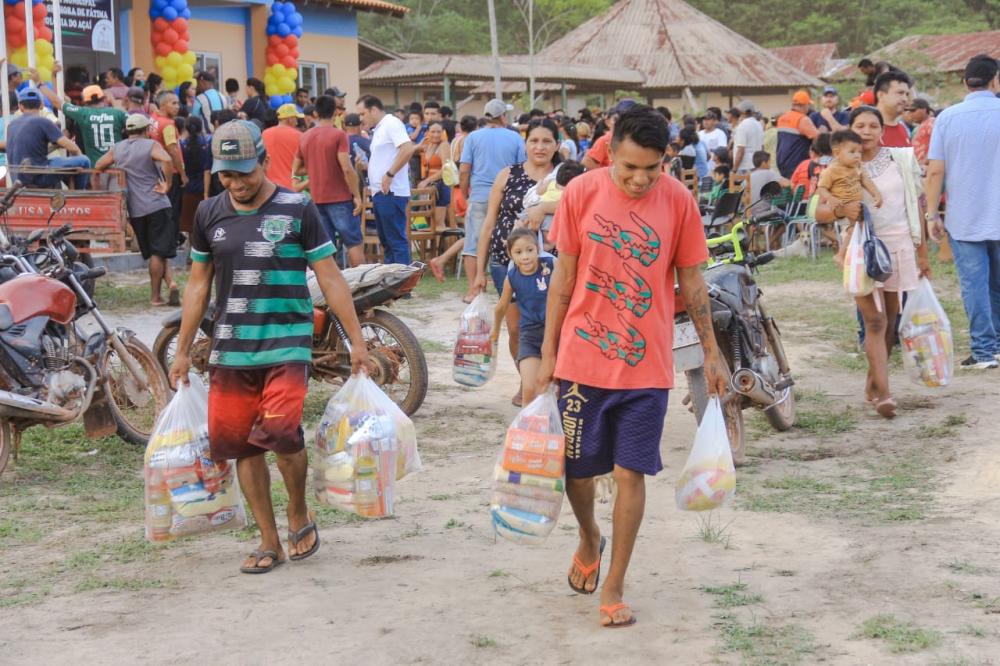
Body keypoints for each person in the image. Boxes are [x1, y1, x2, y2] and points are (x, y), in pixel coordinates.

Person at [536, 105, 727, 629]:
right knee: (578, 474)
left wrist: (712, 353)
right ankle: (588, 536)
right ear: (610, 151)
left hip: (646, 369)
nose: (641, 179)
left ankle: (615, 583)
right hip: (581, 360)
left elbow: (692, 284)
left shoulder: (680, 201)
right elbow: (563, 280)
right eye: (629, 168)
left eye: (653, 168)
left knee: (629, 473)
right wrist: (548, 353)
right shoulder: (580, 194)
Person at [169, 119, 369, 574]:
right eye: (227, 174)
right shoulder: (208, 214)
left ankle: (298, 510)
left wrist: (356, 341)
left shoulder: (298, 208)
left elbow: (329, 276)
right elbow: (198, 286)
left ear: (264, 161)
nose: (236, 183)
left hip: (286, 342)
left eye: (245, 172)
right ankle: (268, 538)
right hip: (231, 348)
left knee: (281, 433)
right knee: (241, 446)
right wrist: (182, 350)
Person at [816, 106, 929, 413]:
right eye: (860, 125)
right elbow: (819, 212)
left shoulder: (900, 160)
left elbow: (915, 205)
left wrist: (923, 253)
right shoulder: (836, 166)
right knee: (875, 321)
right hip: (859, 251)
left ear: (882, 130)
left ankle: (873, 382)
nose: (866, 131)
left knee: (891, 320)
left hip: (899, 246)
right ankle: (885, 395)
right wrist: (842, 210)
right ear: (849, 130)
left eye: (873, 126)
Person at [474, 119, 561, 406]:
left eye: (546, 141)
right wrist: (478, 270)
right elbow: (488, 223)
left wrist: (545, 206)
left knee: (554, 324)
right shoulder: (507, 175)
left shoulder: (566, 176)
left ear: (556, 145)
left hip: (554, 264)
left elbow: (582, 202)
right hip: (506, 262)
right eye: (534, 140)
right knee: (516, 328)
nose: (540, 146)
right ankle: (528, 379)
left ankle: (550, 379)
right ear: (525, 144)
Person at [926, 55, 1000, 369]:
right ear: (995, 80)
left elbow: (934, 172)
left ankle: (984, 351)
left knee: (975, 285)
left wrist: (931, 214)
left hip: (964, 218)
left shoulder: (947, 118)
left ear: (964, 82)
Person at [95, 114, 179, 305]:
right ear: (147, 130)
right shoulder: (151, 145)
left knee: (158, 251)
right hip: (157, 204)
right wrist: (167, 184)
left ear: (127, 130)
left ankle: (171, 283)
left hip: (136, 210)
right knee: (159, 252)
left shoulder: (118, 148)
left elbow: (99, 165)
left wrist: (104, 188)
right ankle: (156, 297)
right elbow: (166, 159)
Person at [459, 98, 526, 299]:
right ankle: (510, 284)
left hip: (479, 195)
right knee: (507, 240)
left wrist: (465, 194)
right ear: (503, 116)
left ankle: (474, 289)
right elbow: (520, 169)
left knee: (473, 243)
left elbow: (464, 170)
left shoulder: (473, 137)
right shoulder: (515, 138)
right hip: (506, 197)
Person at [294, 95, 363, 267]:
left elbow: (296, 169)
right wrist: (356, 195)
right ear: (335, 113)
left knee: (326, 247)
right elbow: (347, 168)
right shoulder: (339, 135)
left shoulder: (305, 136)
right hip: (340, 197)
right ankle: (364, 288)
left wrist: (316, 167)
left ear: (315, 113)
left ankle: (332, 289)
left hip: (316, 199)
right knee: (354, 242)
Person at [492, 228, 554, 407]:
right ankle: (528, 433)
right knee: (529, 389)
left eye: (530, 250)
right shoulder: (511, 277)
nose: (525, 256)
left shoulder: (551, 266)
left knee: (555, 389)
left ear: (538, 249)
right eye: (518, 252)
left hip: (555, 334)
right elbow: (501, 307)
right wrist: (495, 331)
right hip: (529, 336)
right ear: (511, 255)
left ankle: (556, 431)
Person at [6, 88, 91, 190]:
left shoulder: (11, 125)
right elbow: (73, 148)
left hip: (18, 177)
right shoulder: (43, 122)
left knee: (57, 160)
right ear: (41, 104)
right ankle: (79, 194)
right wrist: (77, 161)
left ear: (20, 106)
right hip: (39, 176)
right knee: (84, 160)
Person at [36, 76, 126, 171]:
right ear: (103, 98)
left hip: (95, 170)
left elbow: (57, 103)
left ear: (85, 101)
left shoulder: (82, 113)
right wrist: (113, 101)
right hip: (117, 169)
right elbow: (135, 122)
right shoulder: (118, 113)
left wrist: (40, 84)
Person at [818, 131, 884, 235]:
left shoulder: (857, 166)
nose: (857, 155)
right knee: (855, 230)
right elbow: (821, 188)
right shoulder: (830, 171)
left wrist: (876, 194)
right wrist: (830, 198)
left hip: (857, 206)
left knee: (862, 229)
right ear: (836, 153)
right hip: (842, 207)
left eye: (859, 152)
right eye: (852, 152)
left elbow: (865, 180)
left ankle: (849, 249)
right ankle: (843, 251)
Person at [179, 115, 212, 236]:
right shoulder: (208, 142)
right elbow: (208, 169)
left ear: (186, 129)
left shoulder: (181, 145)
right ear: (201, 127)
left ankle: (192, 249)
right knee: (204, 223)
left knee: (190, 225)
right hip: (205, 188)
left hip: (187, 189)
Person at [775, 90, 820, 178]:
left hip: (781, 162)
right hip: (797, 164)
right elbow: (819, 139)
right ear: (805, 105)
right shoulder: (802, 119)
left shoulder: (782, 118)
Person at [417, 121, 451, 233]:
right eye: (433, 132)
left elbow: (446, 168)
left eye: (439, 132)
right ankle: (432, 250)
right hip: (427, 188)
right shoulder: (427, 145)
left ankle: (441, 251)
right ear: (427, 132)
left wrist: (426, 181)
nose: (436, 135)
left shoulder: (444, 145)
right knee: (428, 224)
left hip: (440, 186)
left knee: (439, 225)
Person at [581, 100, 635, 170]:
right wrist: (605, 176)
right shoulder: (606, 139)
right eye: (619, 118)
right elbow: (587, 162)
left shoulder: (638, 138)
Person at [262, 103, 303, 189]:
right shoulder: (300, 136)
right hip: (291, 187)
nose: (297, 122)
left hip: (268, 187)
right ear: (289, 119)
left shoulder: (264, 134)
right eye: (296, 118)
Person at [873, 70, 912, 148]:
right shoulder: (866, 130)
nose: (905, 99)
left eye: (906, 94)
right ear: (881, 95)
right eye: (900, 93)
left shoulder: (903, 129)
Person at [732, 100, 763, 173]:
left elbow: (741, 150)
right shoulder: (759, 125)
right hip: (756, 164)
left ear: (743, 112)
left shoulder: (742, 126)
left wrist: (734, 169)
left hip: (744, 166)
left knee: (744, 184)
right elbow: (762, 147)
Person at [907, 98, 934, 169]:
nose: (910, 114)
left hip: (925, 168)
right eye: (909, 111)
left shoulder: (931, 123)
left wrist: (924, 162)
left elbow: (937, 146)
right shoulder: (923, 125)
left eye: (913, 110)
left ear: (924, 109)